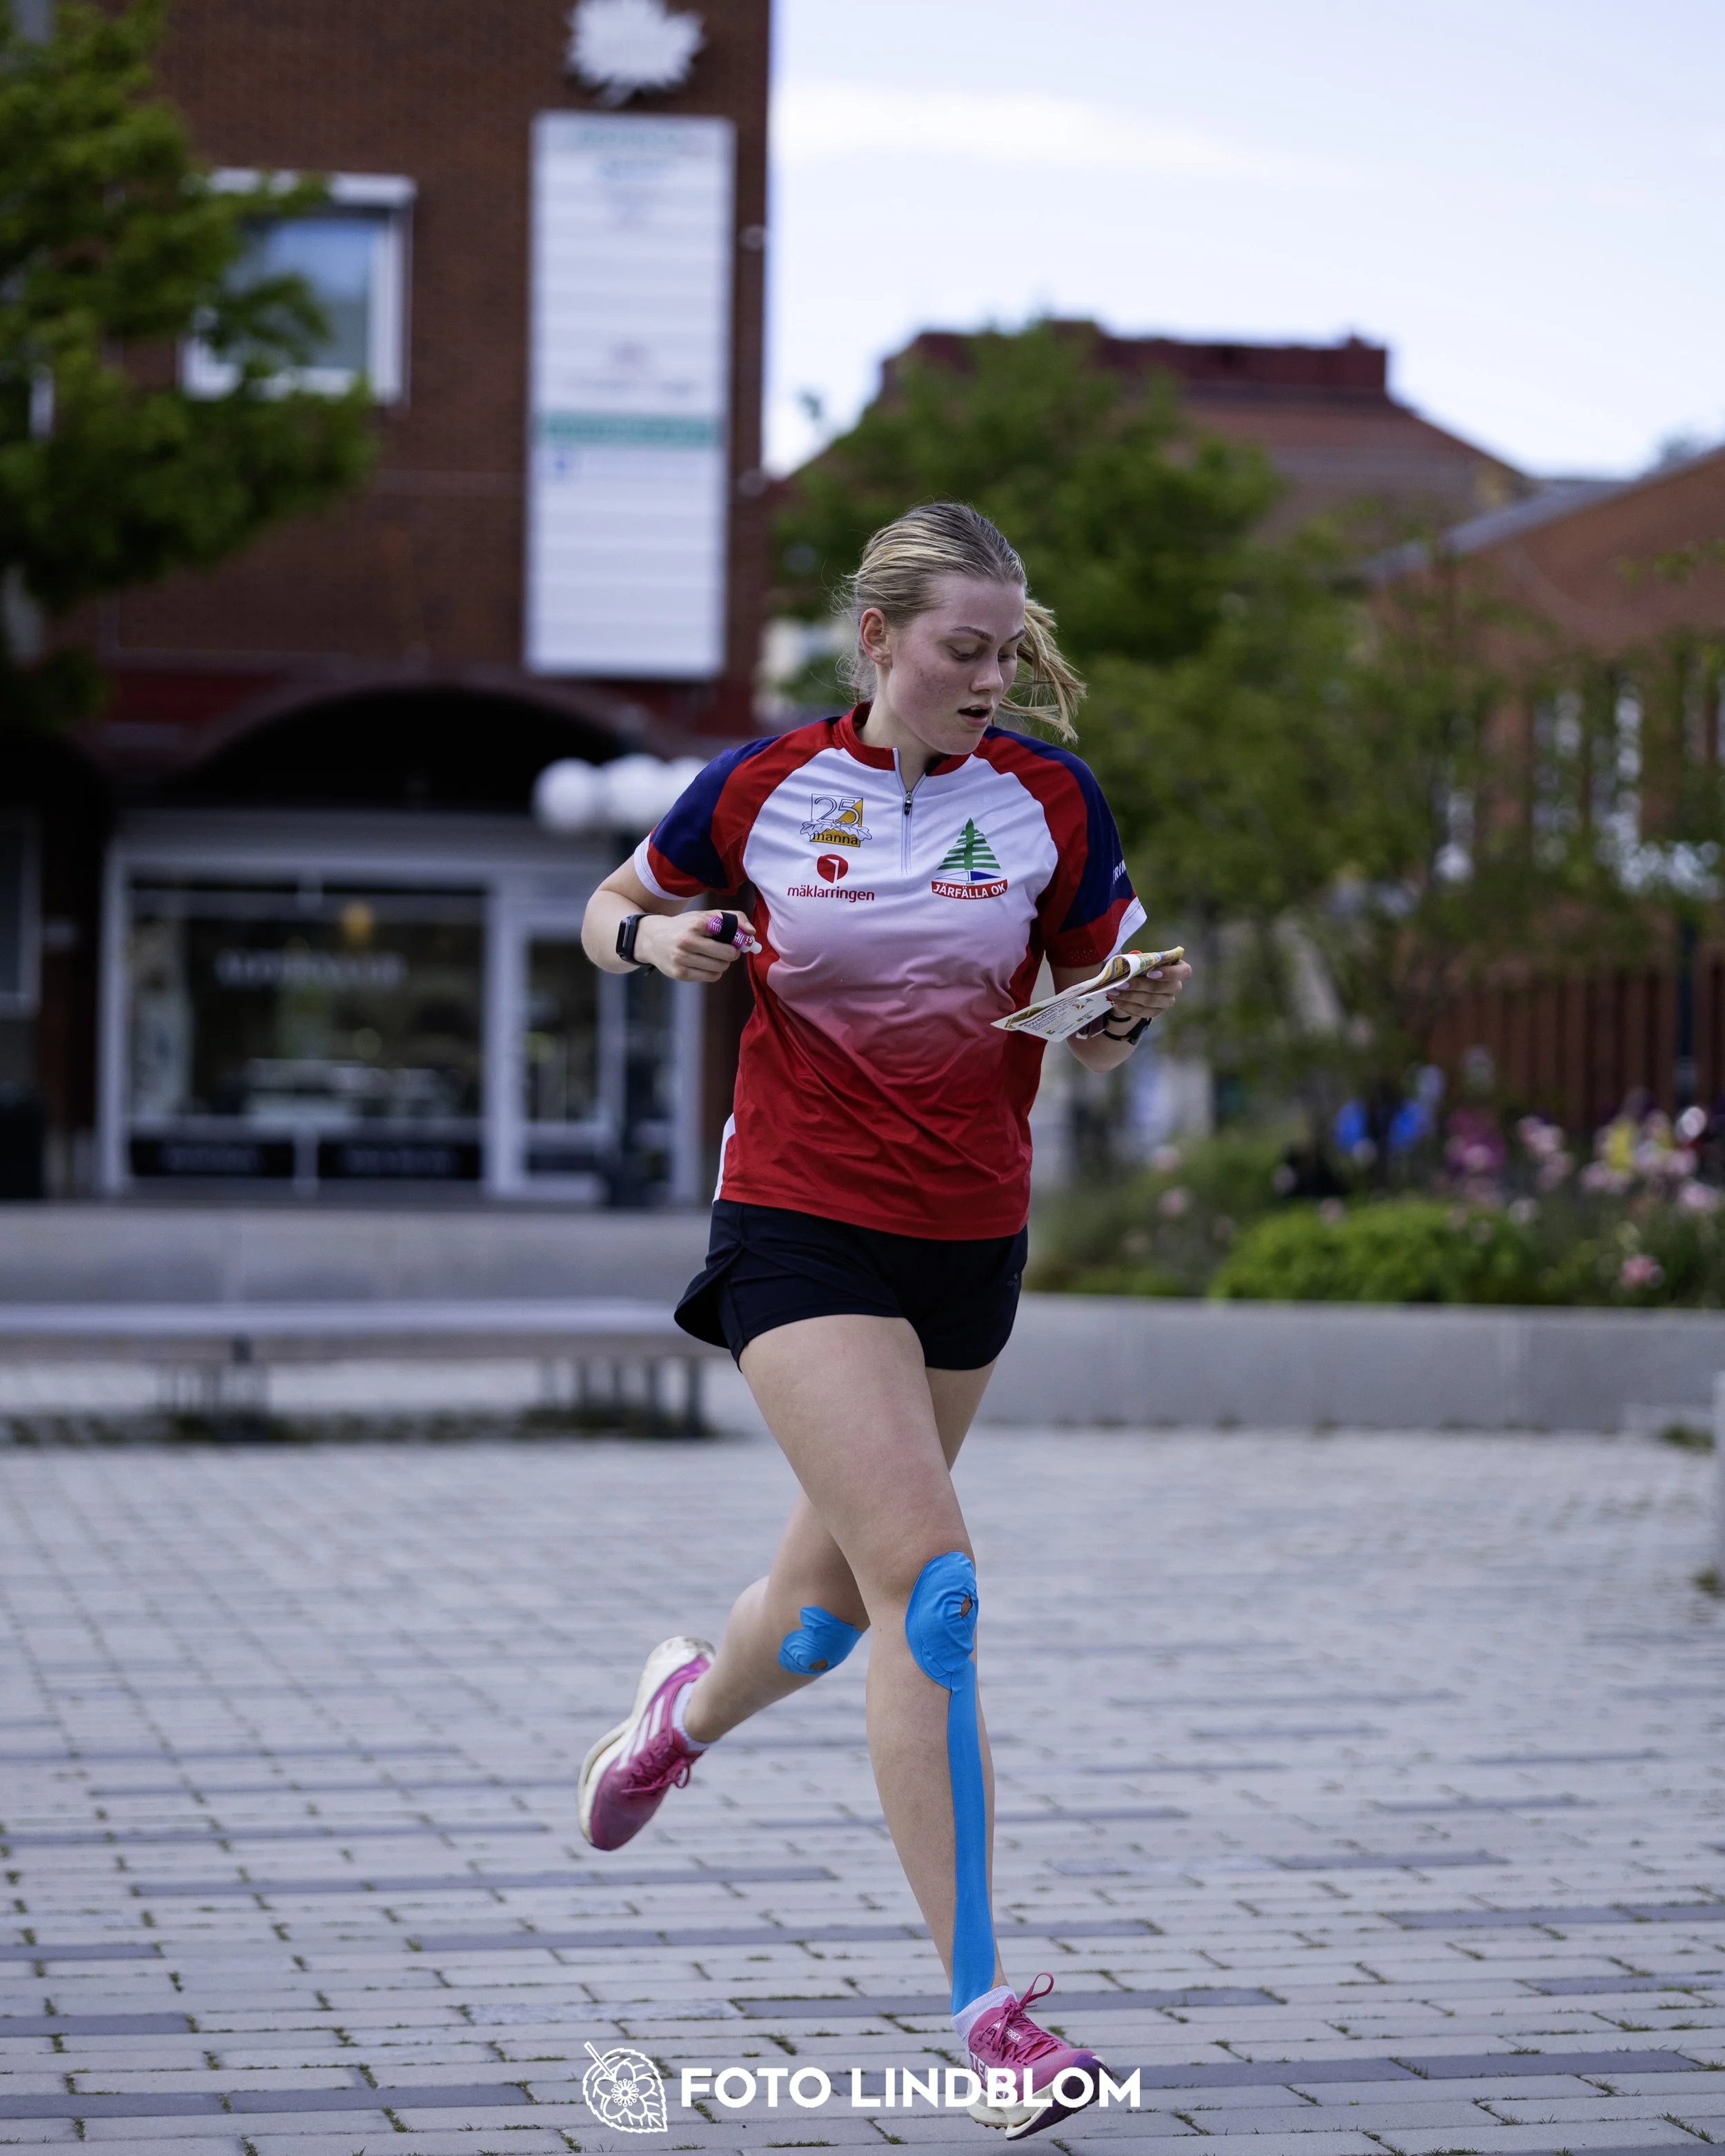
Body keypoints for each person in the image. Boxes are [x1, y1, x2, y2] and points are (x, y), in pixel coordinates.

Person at [577, 502, 1190, 2139]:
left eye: (1007, 650)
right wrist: (664, 939)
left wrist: (1122, 1008)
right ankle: (989, 2011)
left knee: (830, 1604)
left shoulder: (1050, 799)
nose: (991, 676)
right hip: (794, 1223)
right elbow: (606, 907)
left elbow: (1097, 1014)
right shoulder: (763, 788)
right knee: (933, 1590)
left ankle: (679, 1713)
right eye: (961, 648)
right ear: (878, 640)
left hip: (967, 1239)